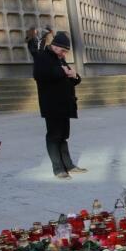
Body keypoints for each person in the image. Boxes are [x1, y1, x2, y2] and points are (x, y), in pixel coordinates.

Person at [33, 31, 85, 179]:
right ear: (54, 46)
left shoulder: (59, 58)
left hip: (65, 104)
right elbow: (40, 75)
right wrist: (62, 72)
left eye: (66, 52)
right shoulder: (42, 57)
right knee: (54, 136)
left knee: (63, 136)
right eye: (63, 50)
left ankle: (69, 165)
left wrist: (75, 76)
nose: (64, 54)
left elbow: (71, 76)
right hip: (52, 105)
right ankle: (58, 168)